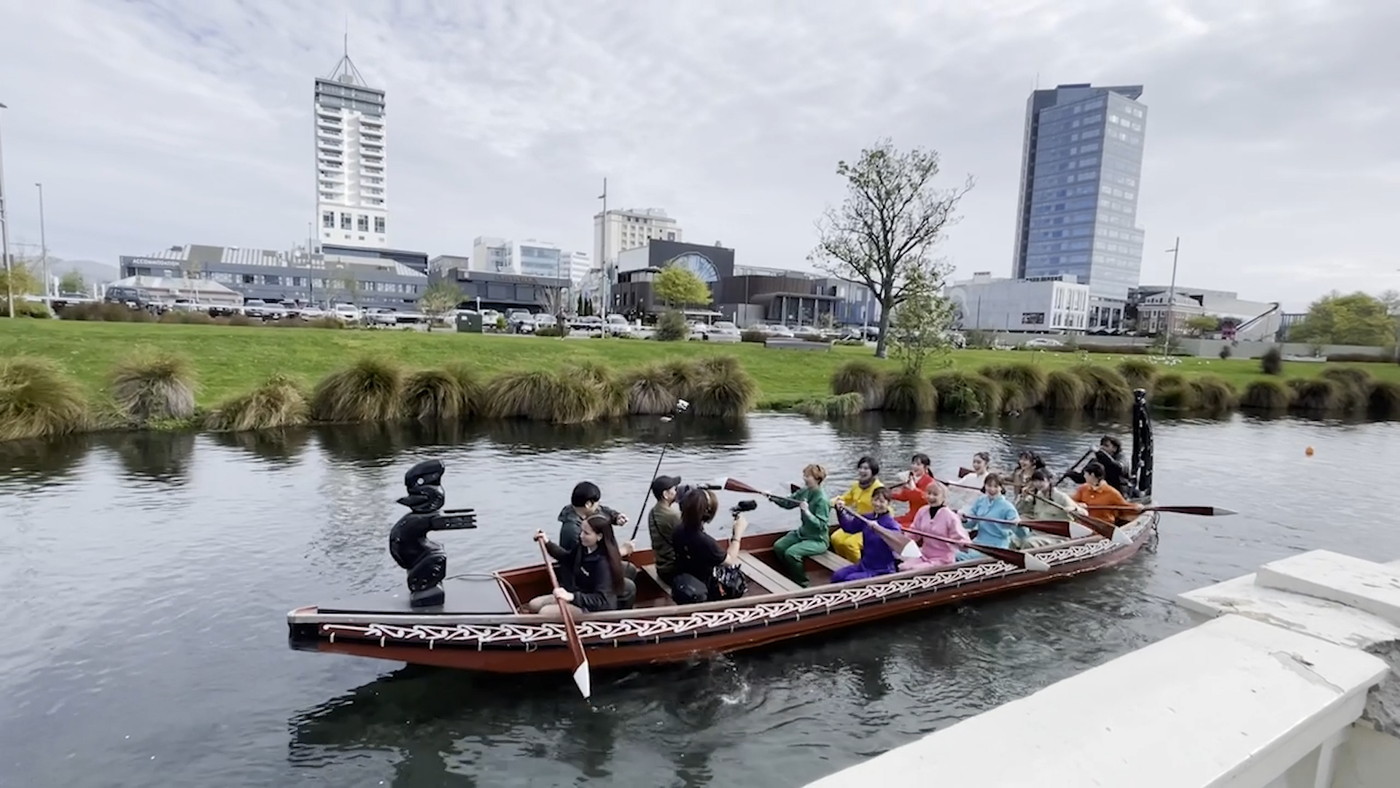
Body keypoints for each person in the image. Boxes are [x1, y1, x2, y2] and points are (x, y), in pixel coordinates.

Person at [527, 513, 626, 617]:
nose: (581, 535)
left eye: (586, 533)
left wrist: (571, 597)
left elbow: (601, 600)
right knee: (533, 605)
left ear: (599, 536)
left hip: (594, 609)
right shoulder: (583, 547)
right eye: (581, 531)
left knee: (544, 613)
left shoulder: (603, 564)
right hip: (578, 595)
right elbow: (567, 558)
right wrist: (547, 542)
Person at [671, 487, 749, 604]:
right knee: (738, 581)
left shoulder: (678, 530)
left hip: (684, 578)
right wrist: (737, 534)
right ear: (707, 514)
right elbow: (730, 560)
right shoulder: (704, 541)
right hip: (704, 585)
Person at [558, 480, 639, 584]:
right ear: (588, 504)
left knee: (630, 569)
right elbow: (589, 560)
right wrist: (621, 551)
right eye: (597, 502)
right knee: (629, 586)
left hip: (591, 568)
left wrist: (616, 517)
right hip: (581, 576)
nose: (599, 504)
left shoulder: (579, 510)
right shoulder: (572, 530)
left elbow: (602, 511)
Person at [769, 464, 834, 587]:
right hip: (803, 533)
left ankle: (802, 583)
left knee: (792, 553)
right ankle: (791, 573)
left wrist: (807, 512)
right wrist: (772, 497)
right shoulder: (805, 491)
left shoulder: (822, 500)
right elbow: (788, 503)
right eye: (804, 475)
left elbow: (821, 525)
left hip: (818, 539)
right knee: (779, 546)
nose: (804, 478)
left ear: (817, 479)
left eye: (808, 476)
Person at [831, 487, 902, 583]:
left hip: (882, 570)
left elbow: (896, 547)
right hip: (865, 564)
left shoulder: (892, 525)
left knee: (849, 580)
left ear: (888, 503)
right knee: (837, 576)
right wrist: (840, 511)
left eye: (881, 501)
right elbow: (849, 528)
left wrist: (880, 529)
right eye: (875, 500)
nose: (877, 504)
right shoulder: (867, 518)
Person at [900, 481, 972, 569]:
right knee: (903, 567)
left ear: (943, 497)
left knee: (914, 570)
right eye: (929, 493)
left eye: (935, 494)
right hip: (924, 554)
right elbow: (914, 532)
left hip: (943, 559)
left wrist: (963, 544)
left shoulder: (950, 516)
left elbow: (959, 537)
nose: (930, 497)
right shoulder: (922, 511)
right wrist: (900, 538)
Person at [829, 456, 884, 563]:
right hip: (857, 522)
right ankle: (843, 563)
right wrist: (831, 502)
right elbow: (846, 498)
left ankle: (858, 565)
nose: (862, 471)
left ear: (873, 471)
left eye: (866, 468)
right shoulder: (856, 486)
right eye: (861, 468)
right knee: (836, 538)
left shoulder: (878, 488)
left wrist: (878, 523)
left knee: (850, 544)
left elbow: (887, 509)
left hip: (871, 525)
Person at [1014, 468, 1086, 548]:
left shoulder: (1062, 497)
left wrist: (1074, 509)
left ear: (1049, 480)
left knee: (1029, 543)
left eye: (1041, 481)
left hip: (1056, 536)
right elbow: (1019, 511)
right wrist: (1023, 498)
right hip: (1037, 533)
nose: (1037, 484)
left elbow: (1084, 513)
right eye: (1035, 481)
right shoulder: (1036, 497)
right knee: (1013, 540)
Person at [955, 473, 1021, 560]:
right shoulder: (981, 500)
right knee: (950, 550)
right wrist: (964, 520)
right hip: (978, 542)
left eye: (996, 486)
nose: (992, 489)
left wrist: (1017, 524)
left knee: (957, 556)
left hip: (996, 547)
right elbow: (971, 524)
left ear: (1001, 488)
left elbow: (1021, 533)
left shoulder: (1008, 507)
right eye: (989, 485)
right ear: (985, 486)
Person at [1072, 461, 1143, 524]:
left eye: (1085, 474)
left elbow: (1125, 507)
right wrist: (1078, 504)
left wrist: (1137, 507)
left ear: (1092, 475)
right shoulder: (1083, 488)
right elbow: (1072, 501)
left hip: (1104, 525)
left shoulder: (1112, 492)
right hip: (1085, 523)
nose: (1084, 476)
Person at [646, 475, 683, 584]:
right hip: (674, 570)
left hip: (661, 567)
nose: (677, 491)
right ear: (665, 495)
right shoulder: (673, 515)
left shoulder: (653, 512)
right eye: (674, 489)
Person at [1064, 436, 1130, 494]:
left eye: (1106, 446)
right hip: (1100, 493)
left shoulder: (1122, 458)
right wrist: (1071, 474)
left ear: (1114, 448)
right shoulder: (1096, 460)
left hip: (1118, 492)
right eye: (1101, 445)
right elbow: (1083, 478)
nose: (1102, 447)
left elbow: (1117, 468)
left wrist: (1100, 453)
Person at [888, 453, 935, 527]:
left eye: (918, 464)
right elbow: (904, 497)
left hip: (923, 519)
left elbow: (926, 499)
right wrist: (888, 494)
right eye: (913, 463)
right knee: (887, 522)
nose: (914, 466)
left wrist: (914, 489)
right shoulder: (911, 480)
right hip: (911, 516)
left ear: (926, 467)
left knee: (894, 526)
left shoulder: (930, 482)